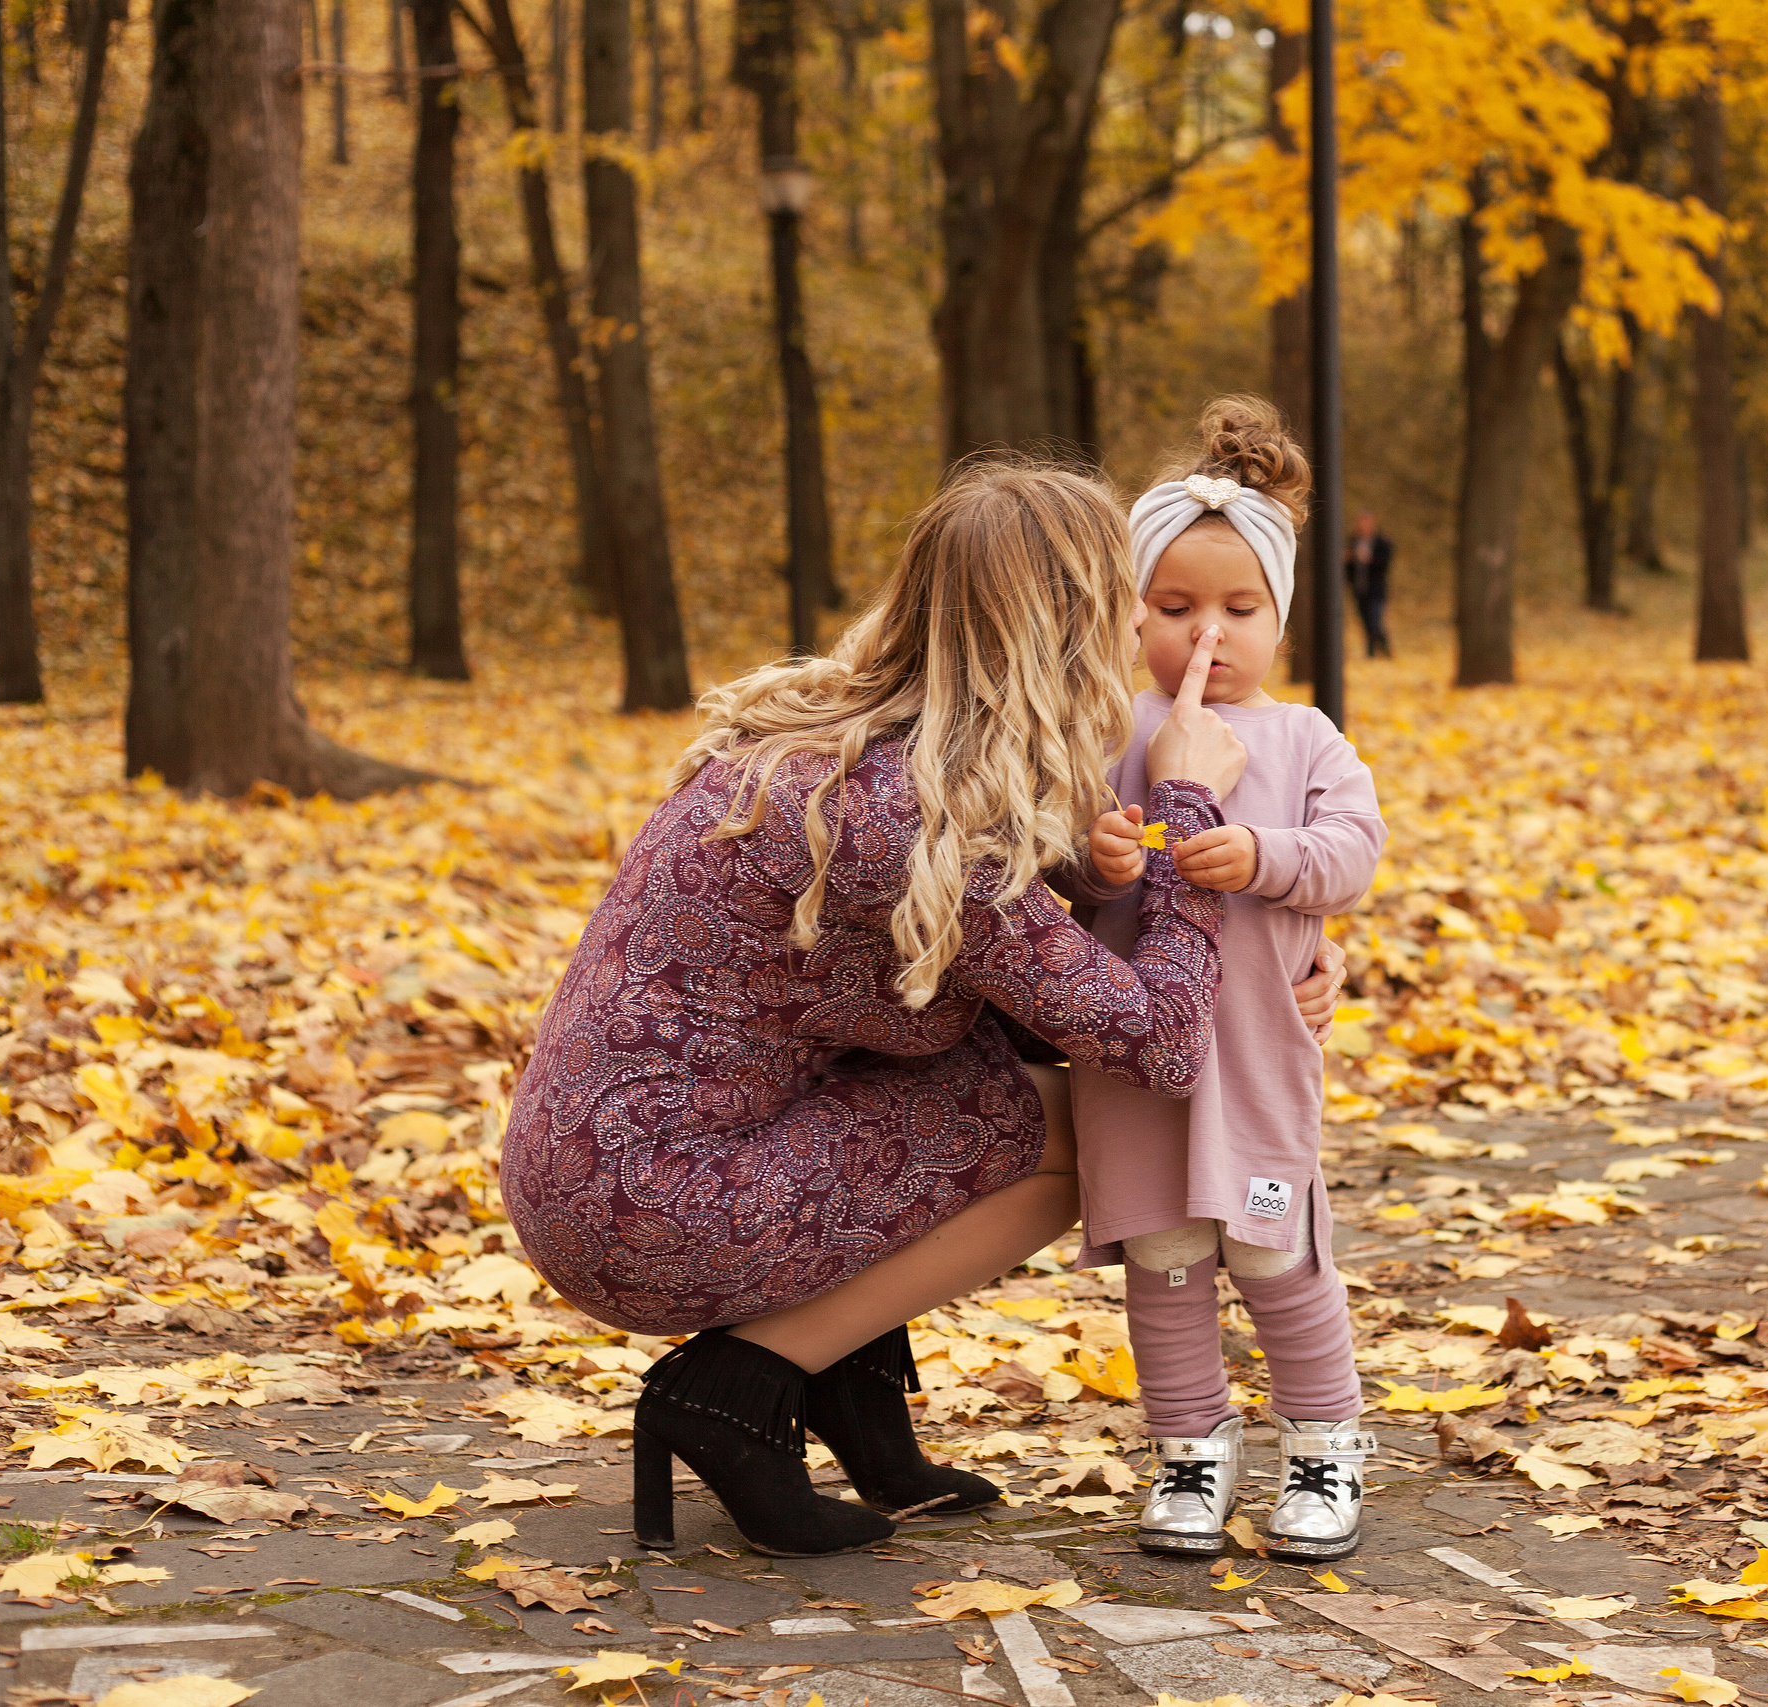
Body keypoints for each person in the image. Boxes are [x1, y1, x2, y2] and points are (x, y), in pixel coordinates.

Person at [499, 459, 1349, 1558]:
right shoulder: (911, 814)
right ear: (1067, 628)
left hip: (603, 1154)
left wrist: (1294, 957)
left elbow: (1029, 980)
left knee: (971, 1082)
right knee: (1061, 1136)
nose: (1150, 629)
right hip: (652, 1203)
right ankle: (737, 1388)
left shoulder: (856, 729)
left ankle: (849, 1389)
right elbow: (1160, 1046)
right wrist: (1187, 801)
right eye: (1127, 603)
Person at [1073, 398, 1389, 1563]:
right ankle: (1189, 1455)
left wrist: (1267, 861)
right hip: (1136, 1072)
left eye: (1238, 609)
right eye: (1175, 608)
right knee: (1162, 1264)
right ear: (1134, 613)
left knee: (1273, 1256)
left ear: (1280, 617)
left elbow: (1352, 854)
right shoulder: (1108, 723)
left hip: (1255, 1060)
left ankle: (1323, 1446)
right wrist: (1092, 853)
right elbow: (1060, 856)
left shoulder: (1307, 739)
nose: (1206, 633)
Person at [1344, 510, 1393, 658]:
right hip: (1359, 589)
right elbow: (1347, 570)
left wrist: (1368, 559)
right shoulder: (1352, 542)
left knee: (1374, 621)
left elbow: (1385, 565)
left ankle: (1372, 653)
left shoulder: (1382, 543)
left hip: (1376, 590)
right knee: (1365, 622)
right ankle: (1384, 650)